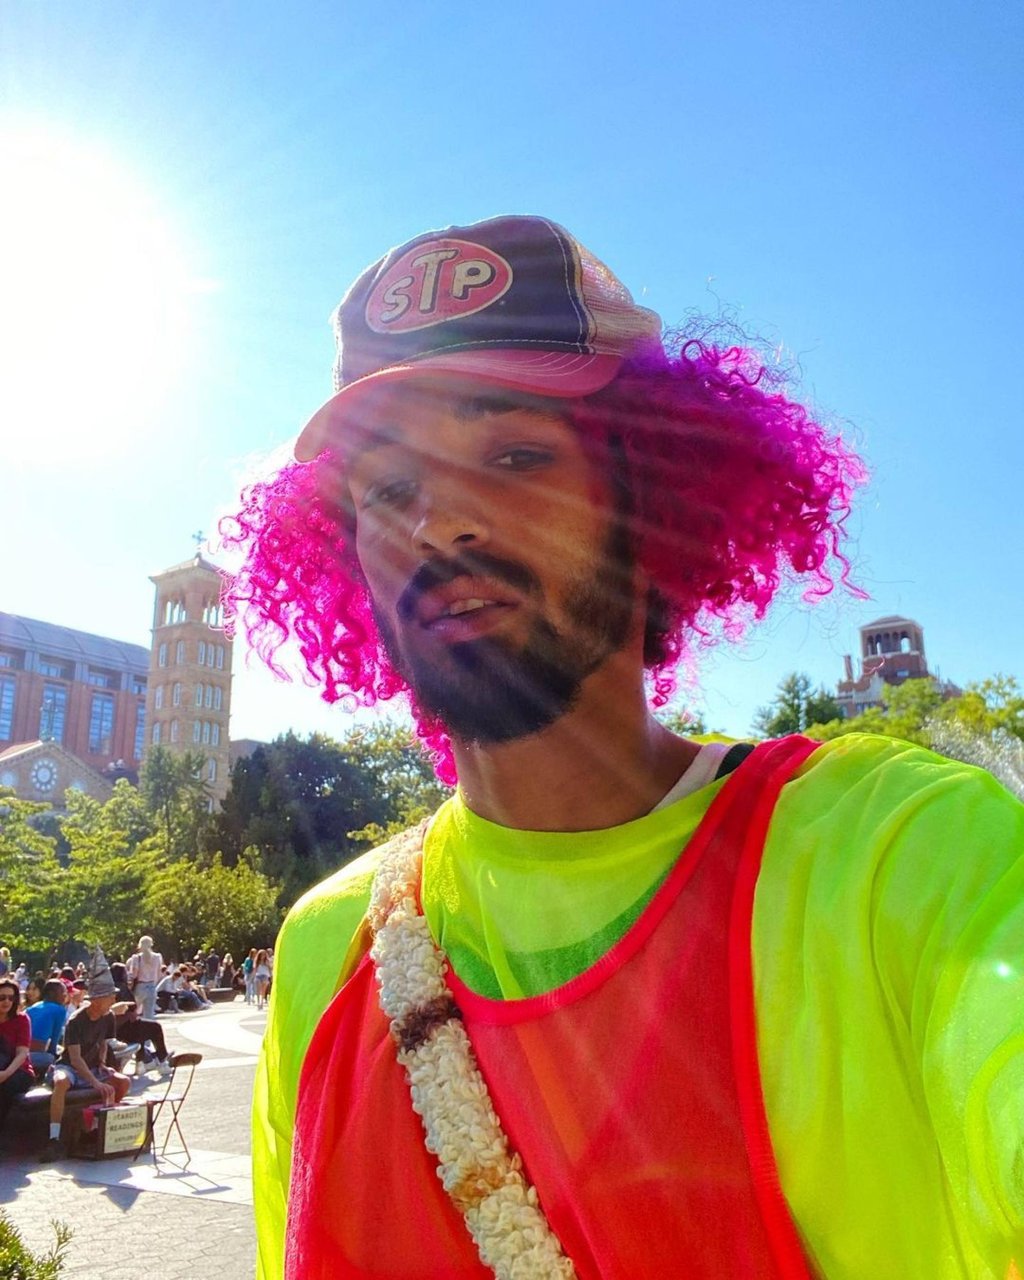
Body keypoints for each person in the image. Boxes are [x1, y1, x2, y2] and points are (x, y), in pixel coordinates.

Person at [225, 215, 1024, 1279]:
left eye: (512, 454)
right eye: (391, 489)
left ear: (652, 505)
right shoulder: (322, 952)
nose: (443, 523)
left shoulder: (904, 853)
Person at [39, 947, 131, 1162]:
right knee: (61, 1082)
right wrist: (94, 1081)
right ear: (98, 999)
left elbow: (104, 1043)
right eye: (110, 996)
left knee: (122, 1082)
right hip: (71, 1067)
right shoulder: (76, 1021)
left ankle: (101, 1129)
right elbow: (75, 1058)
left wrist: (102, 1064)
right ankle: (54, 1137)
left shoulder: (108, 1017)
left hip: (92, 1066)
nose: (114, 999)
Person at [0, 976, 35, 1129]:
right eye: (2, 997)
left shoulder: (22, 1020)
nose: (6, 1001)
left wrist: (6, 1073)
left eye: (10, 997)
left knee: (5, 1087)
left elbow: (22, 1053)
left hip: (18, 1070)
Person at [25, 977, 69, 1074]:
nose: (65, 996)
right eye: (63, 992)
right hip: (35, 1057)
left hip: (20, 1054)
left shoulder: (32, 1007)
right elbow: (54, 1039)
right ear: (54, 994)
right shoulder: (59, 1010)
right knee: (58, 1058)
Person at [125, 935, 163, 1020]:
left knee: (133, 1010)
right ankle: (149, 1031)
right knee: (149, 1014)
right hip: (152, 986)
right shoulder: (157, 957)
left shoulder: (136, 957)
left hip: (140, 986)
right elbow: (159, 973)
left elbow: (134, 974)